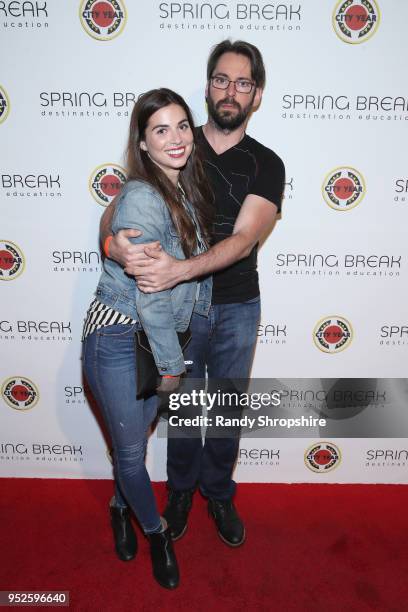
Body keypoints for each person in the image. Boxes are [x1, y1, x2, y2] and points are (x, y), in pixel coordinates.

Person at [100, 40, 285, 549]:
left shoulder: (267, 163)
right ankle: (180, 492)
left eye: (243, 82)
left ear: (257, 94)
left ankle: (219, 493)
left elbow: (245, 239)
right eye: (221, 79)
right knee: (181, 408)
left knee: (223, 408)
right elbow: (114, 217)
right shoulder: (176, 141)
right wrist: (116, 249)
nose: (231, 90)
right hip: (179, 309)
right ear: (208, 87)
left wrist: (179, 269)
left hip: (237, 306)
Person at [82, 88, 213, 589]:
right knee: (133, 455)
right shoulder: (142, 195)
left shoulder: (184, 187)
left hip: (157, 340)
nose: (176, 138)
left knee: (131, 445)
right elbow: (153, 293)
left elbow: (189, 277)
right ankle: (157, 532)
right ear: (142, 142)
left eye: (182, 125)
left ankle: (119, 508)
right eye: (161, 129)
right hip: (119, 338)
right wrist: (173, 363)